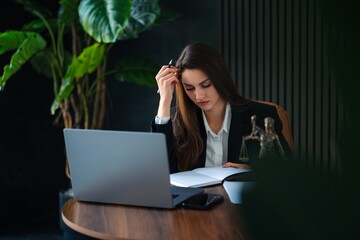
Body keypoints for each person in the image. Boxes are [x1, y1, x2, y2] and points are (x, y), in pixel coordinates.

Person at [151, 42, 291, 173]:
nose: (199, 95)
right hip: (194, 199)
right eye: (189, 88)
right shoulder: (178, 121)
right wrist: (164, 100)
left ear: (220, 79)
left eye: (206, 85)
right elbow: (159, 173)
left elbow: (286, 174)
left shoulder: (262, 115)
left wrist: (253, 173)